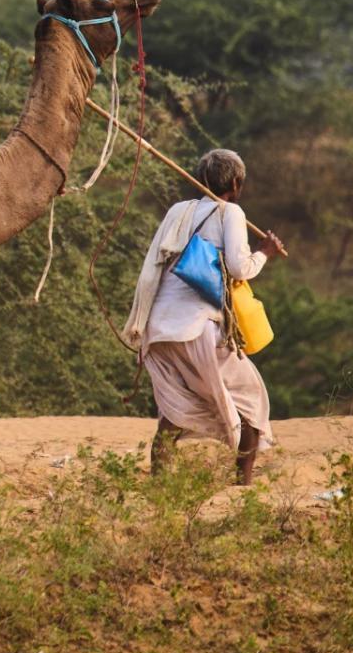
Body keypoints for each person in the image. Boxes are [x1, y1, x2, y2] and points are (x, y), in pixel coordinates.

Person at [119, 149, 285, 483]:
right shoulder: (231, 212)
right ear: (236, 183)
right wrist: (264, 253)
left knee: (174, 410)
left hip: (159, 331)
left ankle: (161, 486)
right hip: (196, 328)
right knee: (252, 403)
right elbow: (240, 268)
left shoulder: (178, 211)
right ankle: (242, 489)